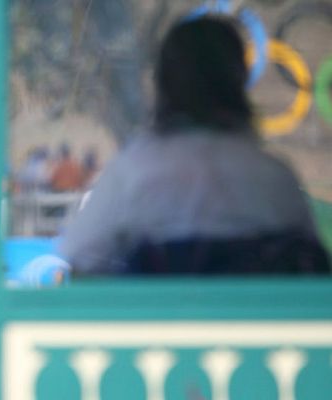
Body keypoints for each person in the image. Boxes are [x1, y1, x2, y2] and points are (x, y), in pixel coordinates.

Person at [58, 15, 329, 275]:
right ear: (240, 80)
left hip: (159, 320)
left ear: (162, 83)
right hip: (259, 321)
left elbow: (80, 258)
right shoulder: (276, 178)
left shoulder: (133, 172)